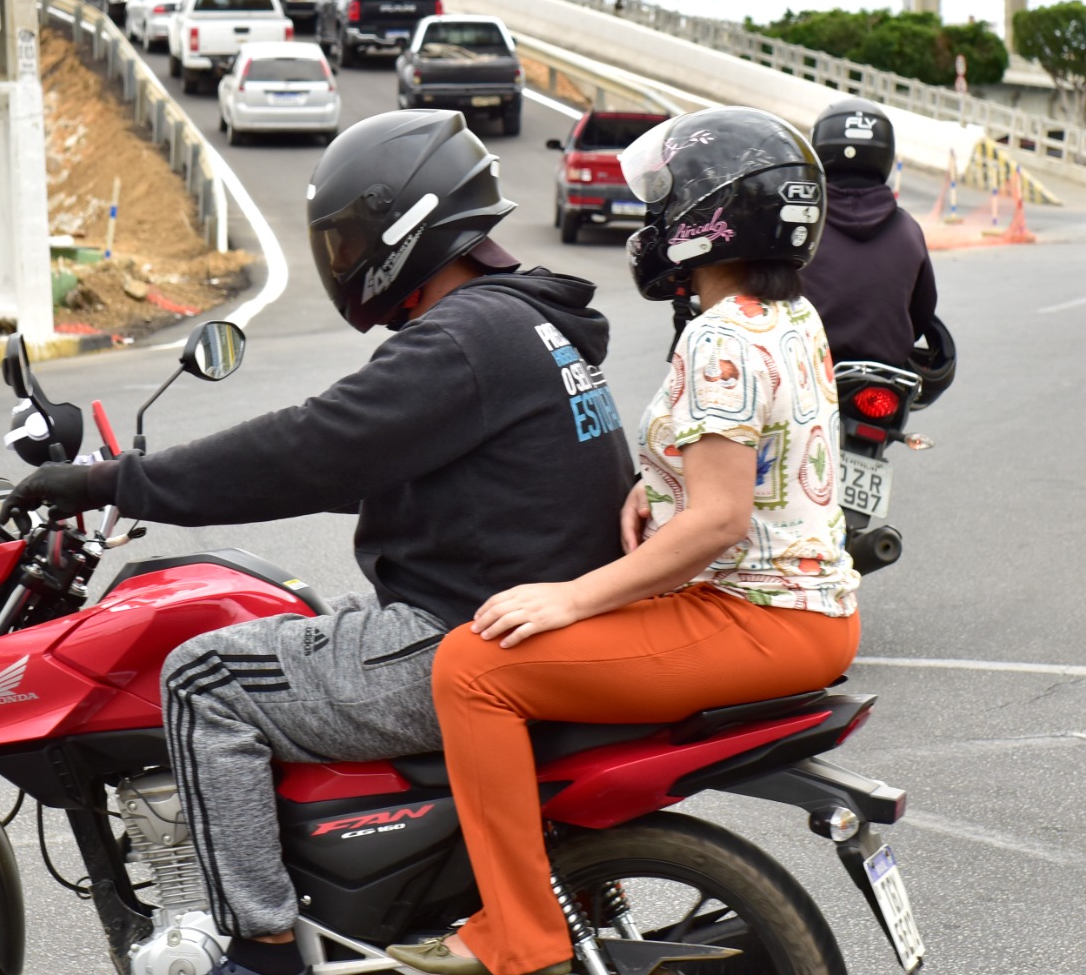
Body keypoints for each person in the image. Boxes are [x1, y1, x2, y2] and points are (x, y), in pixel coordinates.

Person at [3, 108, 634, 975]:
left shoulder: (463, 339)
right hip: (523, 615)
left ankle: (259, 951)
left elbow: (310, 446)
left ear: (408, 225)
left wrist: (115, 482)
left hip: (467, 630)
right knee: (293, 616)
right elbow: (435, 475)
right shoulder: (528, 323)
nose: (346, 260)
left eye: (351, 238)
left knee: (204, 678)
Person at [390, 107, 860, 975]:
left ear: (709, 216)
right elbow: (768, 459)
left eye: (664, 204)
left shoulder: (721, 337)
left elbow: (720, 520)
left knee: (472, 669)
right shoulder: (789, 319)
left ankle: (520, 932)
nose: (654, 223)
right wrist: (660, 480)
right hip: (807, 612)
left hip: (754, 616)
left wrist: (570, 596)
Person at [801, 96, 938, 368]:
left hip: (811, 374)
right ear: (885, 154)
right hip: (886, 374)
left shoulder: (801, 225)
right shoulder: (908, 230)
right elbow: (922, 313)